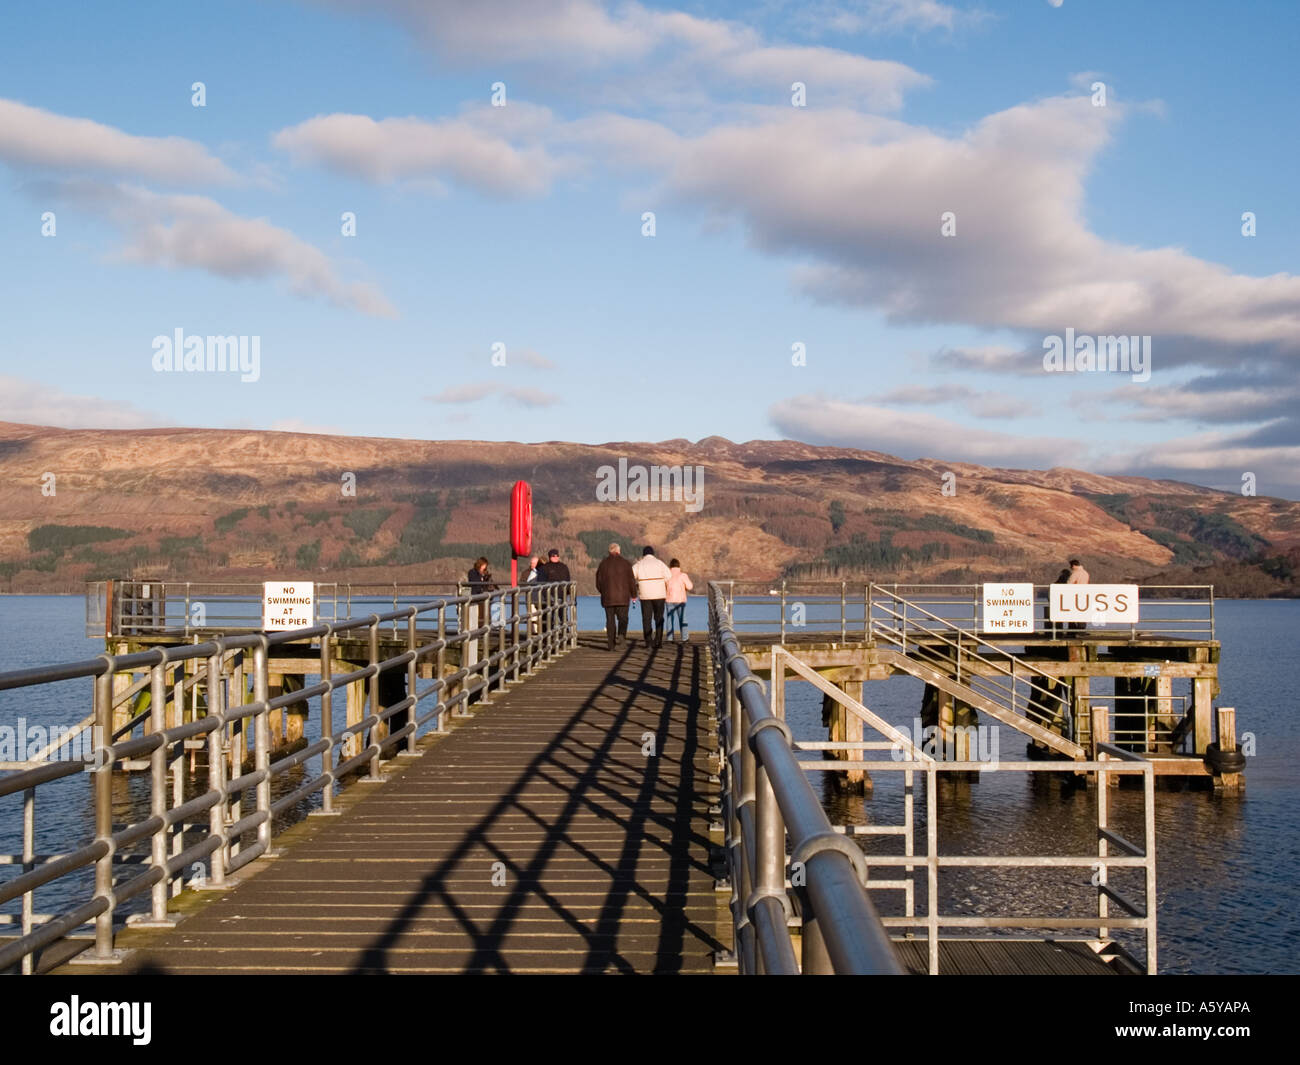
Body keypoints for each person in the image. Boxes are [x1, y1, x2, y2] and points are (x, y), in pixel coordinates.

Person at [595, 542, 638, 651]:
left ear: (609, 551)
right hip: (623, 597)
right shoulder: (626, 563)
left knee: (610, 621)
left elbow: (598, 582)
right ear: (619, 551)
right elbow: (631, 581)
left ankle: (611, 644)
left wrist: (604, 591)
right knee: (623, 618)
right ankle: (622, 635)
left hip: (608, 597)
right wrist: (633, 594)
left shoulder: (603, 564)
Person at [632, 545, 672, 649]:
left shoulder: (639, 564)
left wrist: (637, 585)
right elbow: (669, 576)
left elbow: (631, 576)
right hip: (659, 594)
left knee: (646, 619)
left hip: (645, 595)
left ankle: (648, 642)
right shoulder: (660, 563)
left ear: (643, 554)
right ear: (653, 553)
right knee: (659, 618)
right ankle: (658, 641)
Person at [536, 549, 572, 637]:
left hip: (561, 596)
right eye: (553, 556)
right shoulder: (545, 568)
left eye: (557, 555)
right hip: (549, 597)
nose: (555, 557)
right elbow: (541, 583)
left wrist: (567, 592)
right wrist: (547, 595)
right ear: (549, 557)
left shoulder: (564, 567)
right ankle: (547, 637)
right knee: (548, 618)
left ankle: (565, 635)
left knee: (563, 617)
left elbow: (568, 580)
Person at [665, 558, 693, 643]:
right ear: (678, 566)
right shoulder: (683, 575)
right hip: (680, 600)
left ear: (670, 566)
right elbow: (690, 586)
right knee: (682, 619)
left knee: (670, 619)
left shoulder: (667, 575)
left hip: (669, 599)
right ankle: (685, 638)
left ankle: (670, 638)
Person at [1066, 558, 1089, 632]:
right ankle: (1081, 629)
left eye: (1071, 566)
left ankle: (1072, 630)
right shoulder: (1085, 573)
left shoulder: (1075, 573)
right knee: (1082, 613)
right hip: (1084, 595)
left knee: (1071, 613)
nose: (1071, 568)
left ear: (1074, 566)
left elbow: (1069, 584)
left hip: (1075, 596)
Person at [1049, 565, 1071, 638]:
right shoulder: (1068, 580)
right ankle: (1071, 631)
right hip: (1067, 600)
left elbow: (1055, 585)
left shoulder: (1059, 580)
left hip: (1058, 600)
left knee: (1058, 618)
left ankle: (1058, 632)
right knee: (1071, 617)